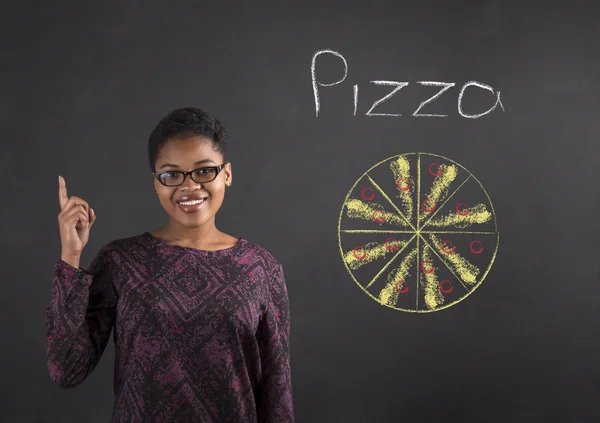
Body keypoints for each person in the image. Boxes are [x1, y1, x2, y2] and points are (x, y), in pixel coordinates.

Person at [45, 107, 294, 422]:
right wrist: (70, 255)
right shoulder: (121, 261)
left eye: (204, 170)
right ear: (155, 182)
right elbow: (66, 368)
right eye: (172, 174)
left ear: (227, 174)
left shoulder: (261, 268)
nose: (189, 186)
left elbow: (277, 393)